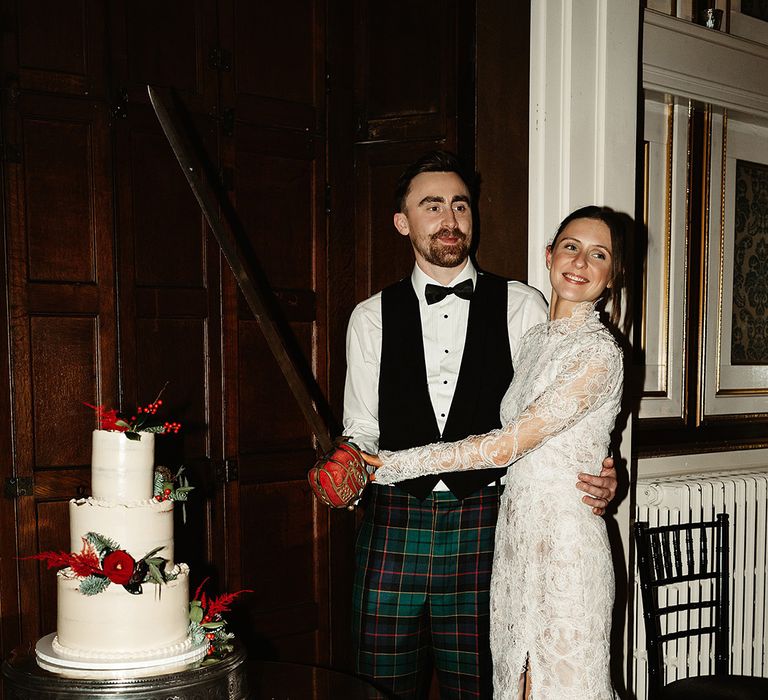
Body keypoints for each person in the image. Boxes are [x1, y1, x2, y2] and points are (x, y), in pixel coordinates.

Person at [343, 151, 617, 699]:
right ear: (404, 222)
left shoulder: (527, 306)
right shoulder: (369, 316)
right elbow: (361, 429)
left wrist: (605, 471)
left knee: (487, 687)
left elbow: (561, 413)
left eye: (460, 206)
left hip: (488, 525)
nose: (449, 219)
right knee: (378, 687)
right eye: (432, 205)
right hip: (395, 524)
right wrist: (347, 468)